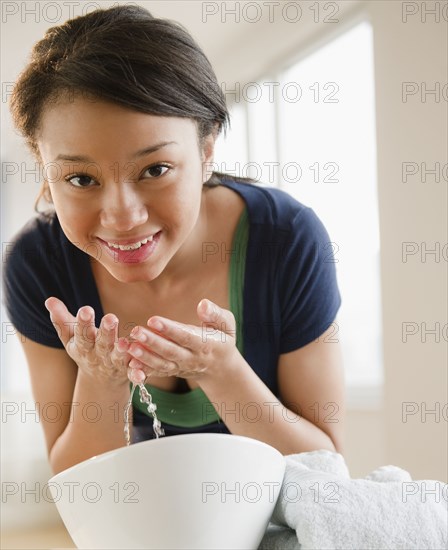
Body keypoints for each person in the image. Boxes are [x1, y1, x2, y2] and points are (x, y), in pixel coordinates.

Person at [4, 5, 345, 475]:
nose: (123, 217)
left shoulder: (286, 241)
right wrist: (101, 380)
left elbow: (327, 470)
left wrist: (222, 371)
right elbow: (78, 488)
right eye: (81, 178)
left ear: (206, 153)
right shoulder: (37, 265)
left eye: (155, 169)